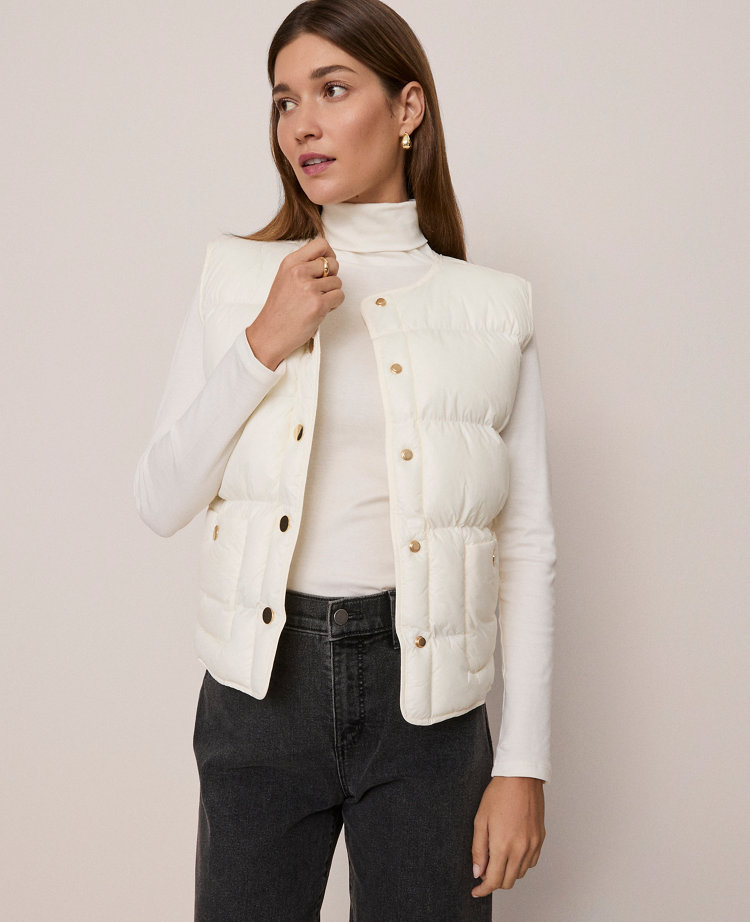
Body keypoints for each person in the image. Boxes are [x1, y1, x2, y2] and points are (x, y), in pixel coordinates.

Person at [134, 0, 556, 919]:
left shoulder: (492, 309)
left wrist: (522, 763)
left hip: (429, 706)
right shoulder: (238, 281)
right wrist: (263, 341)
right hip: (259, 686)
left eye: (332, 89)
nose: (302, 124)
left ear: (407, 109)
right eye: (285, 100)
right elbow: (161, 498)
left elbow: (524, 546)